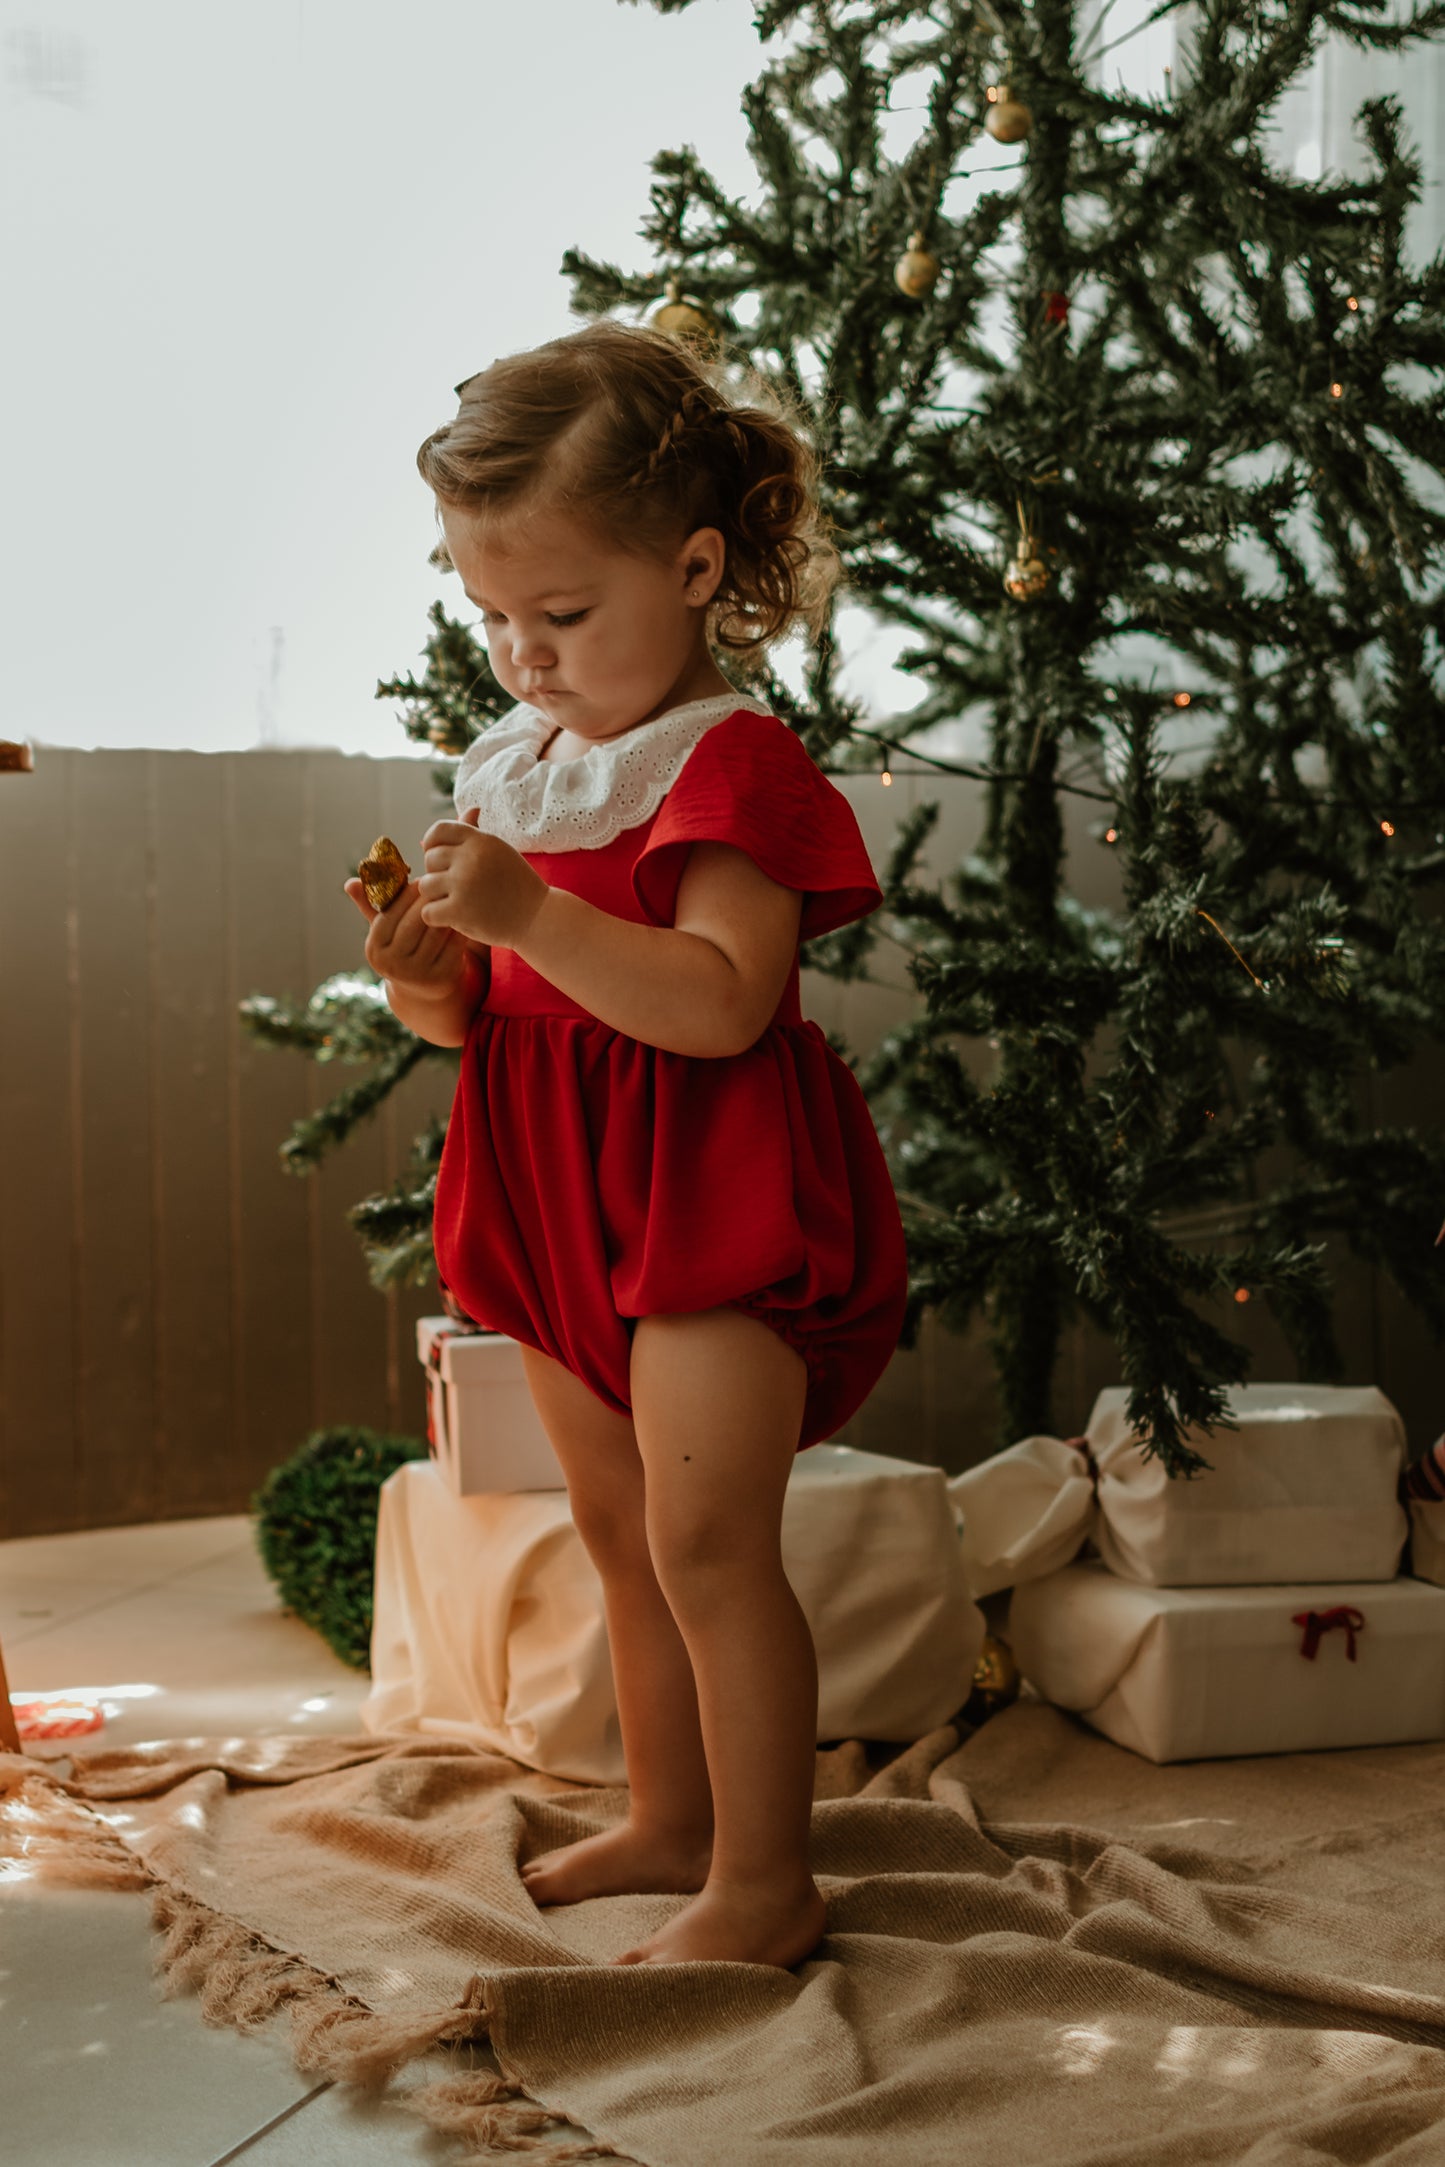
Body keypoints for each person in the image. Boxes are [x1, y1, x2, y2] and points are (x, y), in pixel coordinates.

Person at [344, 320, 909, 1972]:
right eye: (492, 618)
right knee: (614, 1534)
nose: (524, 655)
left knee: (709, 1542)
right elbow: (488, 1015)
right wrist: (436, 983)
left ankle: (765, 1882)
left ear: (697, 563)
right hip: (552, 1189)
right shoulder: (524, 765)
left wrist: (523, 908)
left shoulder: (728, 759)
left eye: (565, 615)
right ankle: (670, 1820)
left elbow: (724, 1002)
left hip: (703, 1197)